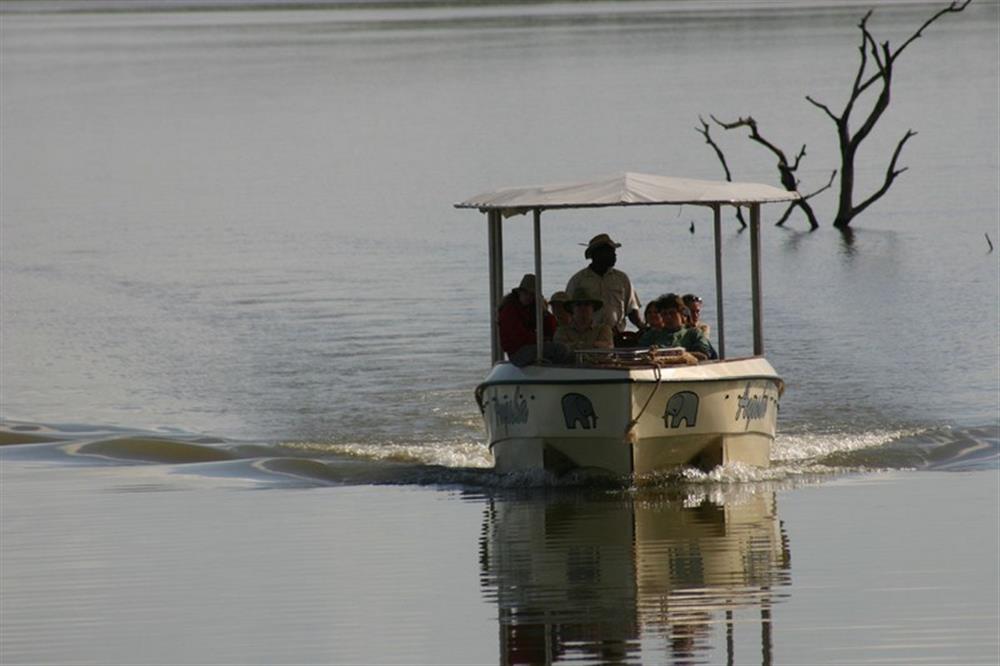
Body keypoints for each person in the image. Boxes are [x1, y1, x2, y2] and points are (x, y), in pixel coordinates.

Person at [565, 233, 642, 336]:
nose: (614, 255)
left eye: (614, 252)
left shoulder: (622, 279)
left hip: (617, 335)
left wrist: (643, 327)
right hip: (588, 336)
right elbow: (568, 311)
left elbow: (632, 309)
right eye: (609, 252)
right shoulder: (579, 280)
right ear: (595, 254)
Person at [498, 274, 572, 366]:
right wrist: (542, 339)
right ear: (519, 292)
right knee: (561, 349)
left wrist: (544, 312)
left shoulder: (532, 308)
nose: (528, 297)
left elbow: (552, 331)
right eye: (526, 293)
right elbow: (518, 337)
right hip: (517, 352)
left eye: (532, 294)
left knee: (563, 349)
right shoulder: (509, 310)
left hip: (531, 347)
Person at [638, 295, 714, 360]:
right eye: (664, 314)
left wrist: (678, 354)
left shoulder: (694, 334)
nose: (668, 317)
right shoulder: (652, 335)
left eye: (672, 313)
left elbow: (704, 355)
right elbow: (639, 354)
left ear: (682, 314)